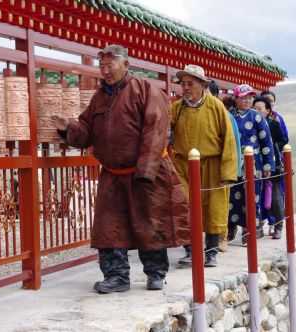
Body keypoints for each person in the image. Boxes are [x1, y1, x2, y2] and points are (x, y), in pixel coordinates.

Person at [52, 44, 190, 293]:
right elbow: (86, 132)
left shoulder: (147, 90)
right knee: (109, 227)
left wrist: (146, 170)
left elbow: (156, 131)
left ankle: (156, 273)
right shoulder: (99, 97)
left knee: (150, 224)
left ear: (126, 65)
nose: (105, 71)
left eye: (110, 65)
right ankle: (116, 277)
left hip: (146, 172)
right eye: (101, 66)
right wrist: (68, 127)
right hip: (113, 175)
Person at [171, 66, 237, 267]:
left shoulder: (216, 106)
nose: (186, 88)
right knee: (184, 205)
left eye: (190, 83)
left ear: (202, 85)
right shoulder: (176, 108)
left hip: (212, 165)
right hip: (183, 165)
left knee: (213, 208)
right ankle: (190, 250)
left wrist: (228, 172)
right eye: (183, 84)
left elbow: (229, 140)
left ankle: (211, 252)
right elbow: (165, 130)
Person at [228, 84, 275, 244]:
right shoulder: (229, 116)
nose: (247, 100)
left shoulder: (257, 117)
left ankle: (250, 231)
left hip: (254, 164)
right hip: (234, 163)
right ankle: (231, 227)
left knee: (252, 197)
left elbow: (266, 142)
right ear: (236, 99)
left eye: (250, 97)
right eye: (243, 97)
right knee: (233, 197)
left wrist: (268, 166)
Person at [209, 81, 242, 252]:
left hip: (219, 167)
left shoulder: (225, 116)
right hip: (197, 167)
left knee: (219, 205)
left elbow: (234, 144)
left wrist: (232, 171)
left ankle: (222, 237)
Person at [253, 96, 289, 239]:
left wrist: (272, 148)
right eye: (254, 109)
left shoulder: (273, 124)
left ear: (268, 110)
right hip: (255, 166)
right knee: (256, 197)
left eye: (259, 109)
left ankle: (278, 225)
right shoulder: (251, 124)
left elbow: (283, 140)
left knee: (275, 197)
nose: (256, 111)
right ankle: (258, 227)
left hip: (272, 165)